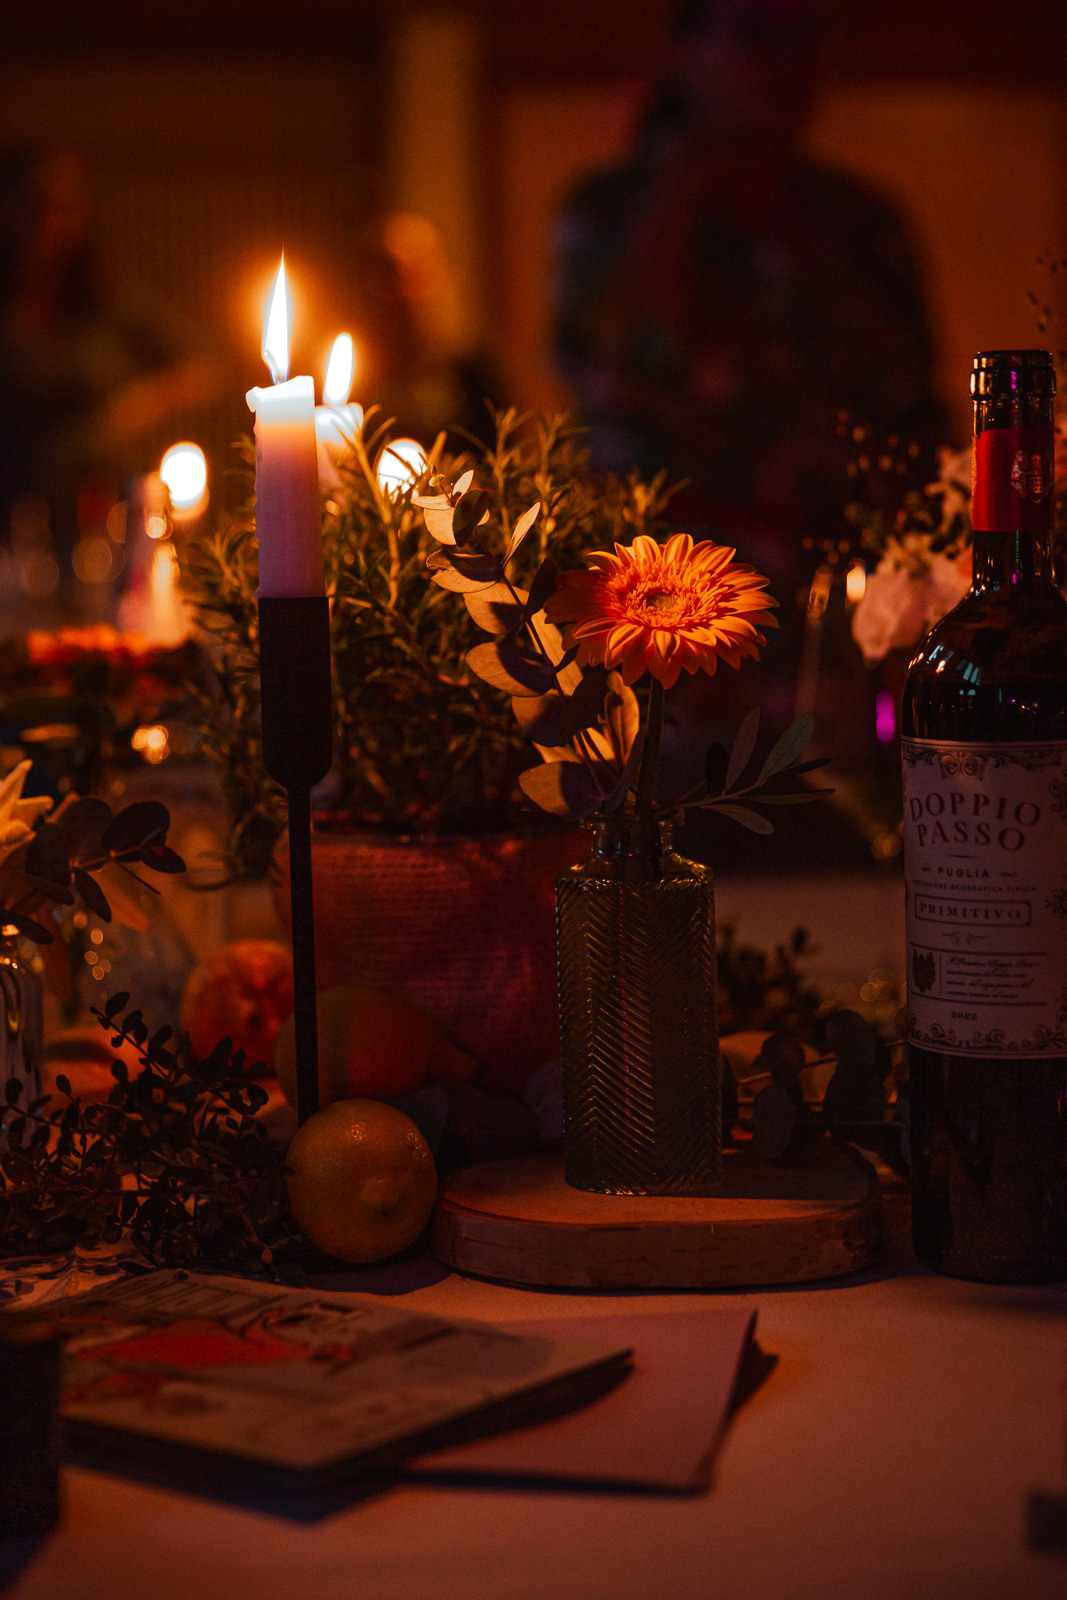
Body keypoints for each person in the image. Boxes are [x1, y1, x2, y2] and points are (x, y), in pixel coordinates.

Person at [551, 0, 945, 862]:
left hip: (829, 625)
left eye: (802, 37)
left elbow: (912, 420)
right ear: (686, 51)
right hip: (661, 614)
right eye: (754, 36)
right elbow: (614, 377)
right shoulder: (611, 212)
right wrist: (680, 203)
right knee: (658, 855)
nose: (783, 63)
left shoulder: (858, 222)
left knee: (836, 857)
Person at [0, 146, 215, 621]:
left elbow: (201, 363)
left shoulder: (105, 300)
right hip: (13, 526)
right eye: (34, 206)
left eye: (65, 208)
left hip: (101, 512)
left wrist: (137, 405)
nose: (50, 223)